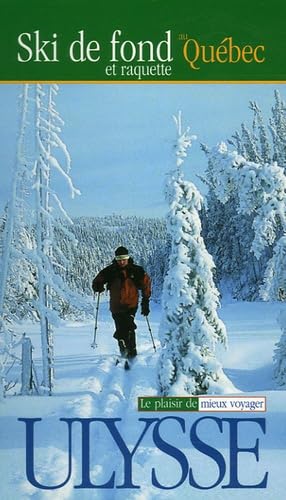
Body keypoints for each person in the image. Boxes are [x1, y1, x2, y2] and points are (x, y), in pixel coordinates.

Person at [92, 246, 151, 359]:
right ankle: (123, 348)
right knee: (120, 326)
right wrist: (98, 286)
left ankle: (132, 351)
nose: (121, 261)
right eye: (119, 259)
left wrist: (145, 301)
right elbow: (97, 280)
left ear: (128, 258)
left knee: (129, 325)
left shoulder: (136, 270)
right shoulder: (110, 270)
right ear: (116, 259)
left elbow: (146, 284)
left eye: (124, 259)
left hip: (131, 304)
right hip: (116, 305)